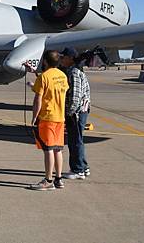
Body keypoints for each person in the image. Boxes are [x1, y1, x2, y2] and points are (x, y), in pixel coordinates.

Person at [28, 50, 69, 191]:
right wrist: (34, 72)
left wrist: (34, 117)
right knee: (58, 150)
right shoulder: (62, 76)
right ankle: (58, 179)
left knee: (48, 150)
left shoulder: (44, 77)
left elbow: (38, 99)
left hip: (47, 118)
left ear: (45, 61)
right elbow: (53, 88)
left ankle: (48, 180)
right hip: (60, 117)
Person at [60, 47, 91, 180]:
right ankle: (83, 166)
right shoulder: (75, 71)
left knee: (75, 141)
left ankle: (77, 170)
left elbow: (75, 97)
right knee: (78, 139)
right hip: (80, 110)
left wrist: (70, 112)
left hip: (77, 112)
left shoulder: (74, 73)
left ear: (70, 58)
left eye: (64, 57)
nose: (62, 59)